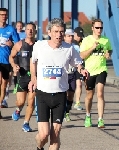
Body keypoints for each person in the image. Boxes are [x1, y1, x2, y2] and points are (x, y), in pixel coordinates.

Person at [28, 18, 89, 150]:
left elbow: (77, 63)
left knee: (55, 135)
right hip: (43, 94)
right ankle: (39, 147)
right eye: (56, 31)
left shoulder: (69, 49)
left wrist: (82, 69)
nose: (59, 35)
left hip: (60, 95)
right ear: (49, 32)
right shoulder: (39, 46)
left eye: (61, 32)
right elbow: (33, 61)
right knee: (43, 135)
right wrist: (33, 78)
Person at [80, 19, 112, 128]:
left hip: (101, 70)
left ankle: (100, 119)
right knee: (89, 95)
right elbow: (82, 56)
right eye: (97, 28)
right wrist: (92, 48)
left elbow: (109, 50)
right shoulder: (86, 40)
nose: (99, 30)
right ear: (92, 28)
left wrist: (108, 54)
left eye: (101, 28)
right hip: (89, 71)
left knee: (100, 93)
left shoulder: (106, 40)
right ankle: (88, 115)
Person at [9, 22, 36, 132]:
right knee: (21, 101)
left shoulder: (39, 46)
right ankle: (18, 110)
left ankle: (26, 123)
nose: (30, 31)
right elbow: (11, 57)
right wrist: (14, 65)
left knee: (31, 101)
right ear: (25, 31)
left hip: (34, 77)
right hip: (22, 76)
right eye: (28, 29)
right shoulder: (19, 44)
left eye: (32, 29)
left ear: (35, 31)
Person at [0, 8, 19, 117]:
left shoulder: (11, 29)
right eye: (2, 14)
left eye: (5, 15)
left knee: (4, 85)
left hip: (6, 60)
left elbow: (17, 45)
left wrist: (11, 44)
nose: (4, 16)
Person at [63, 29, 76, 121]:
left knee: (71, 94)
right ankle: (62, 112)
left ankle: (67, 112)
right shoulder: (62, 47)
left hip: (72, 74)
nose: (70, 38)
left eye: (72, 36)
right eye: (68, 36)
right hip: (63, 74)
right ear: (64, 37)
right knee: (62, 94)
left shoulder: (76, 48)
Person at [73, 27, 84, 110]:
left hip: (79, 66)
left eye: (81, 35)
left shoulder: (83, 42)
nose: (80, 37)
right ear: (74, 34)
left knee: (79, 84)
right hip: (70, 67)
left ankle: (77, 102)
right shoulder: (70, 42)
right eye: (78, 35)